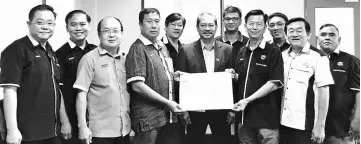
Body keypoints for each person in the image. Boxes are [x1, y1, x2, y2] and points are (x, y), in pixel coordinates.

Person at [0, 4, 71, 144]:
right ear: (28, 24)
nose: (45, 27)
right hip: (27, 134)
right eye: (40, 22)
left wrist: (65, 121)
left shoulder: (51, 52)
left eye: (50, 23)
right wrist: (12, 130)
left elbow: (57, 89)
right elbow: (9, 91)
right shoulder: (16, 50)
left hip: (52, 131)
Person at [125, 8, 183, 144]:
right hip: (148, 118)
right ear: (140, 25)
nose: (153, 25)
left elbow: (159, 76)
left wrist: (174, 76)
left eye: (156, 21)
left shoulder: (161, 46)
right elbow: (137, 86)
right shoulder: (137, 49)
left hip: (165, 115)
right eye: (149, 21)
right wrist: (168, 103)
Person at [230, 9, 284, 144]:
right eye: (251, 23)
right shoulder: (242, 51)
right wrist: (232, 76)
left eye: (259, 24)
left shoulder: (273, 51)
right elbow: (241, 79)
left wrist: (248, 100)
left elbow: (274, 83)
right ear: (245, 25)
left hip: (267, 121)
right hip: (244, 119)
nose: (254, 27)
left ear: (265, 27)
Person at [74, 17, 131, 144]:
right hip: (99, 133)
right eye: (106, 31)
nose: (111, 35)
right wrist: (82, 126)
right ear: (99, 34)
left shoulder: (126, 59)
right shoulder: (89, 59)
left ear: (121, 33)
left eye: (115, 31)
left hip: (124, 129)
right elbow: (81, 94)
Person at [178, 12, 233, 144]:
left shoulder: (227, 49)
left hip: (221, 110)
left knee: (223, 140)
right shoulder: (186, 50)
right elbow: (180, 82)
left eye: (210, 25)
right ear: (197, 27)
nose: (207, 29)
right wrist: (183, 110)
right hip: (195, 111)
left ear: (216, 27)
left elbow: (232, 82)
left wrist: (232, 109)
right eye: (203, 25)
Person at [279, 17, 334, 144]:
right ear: (286, 35)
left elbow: (324, 92)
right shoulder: (282, 55)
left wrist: (320, 125)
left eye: (299, 30)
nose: (294, 34)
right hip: (283, 122)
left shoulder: (319, 57)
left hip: (305, 124)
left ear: (308, 34)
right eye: (290, 31)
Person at [56, 10, 96, 144]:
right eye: (73, 25)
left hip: (96, 118)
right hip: (71, 117)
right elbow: (58, 91)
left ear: (89, 26)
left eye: (83, 24)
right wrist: (65, 122)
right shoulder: (59, 54)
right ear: (67, 27)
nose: (78, 28)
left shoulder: (96, 50)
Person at [317, 23, 360, 144]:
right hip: (314, 127)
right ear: (317, 39)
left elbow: (359, 92)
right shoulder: (313, 59)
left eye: (332, 35)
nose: (327, 37)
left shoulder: (351, 60)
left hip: (342, 129)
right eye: (323, 34)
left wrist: (358, 120)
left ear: (339, 40)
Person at [158, 13, 189, 144]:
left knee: (179, 137)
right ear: (165, 26)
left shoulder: (185, 48)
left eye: (180, 25)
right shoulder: (158, 46)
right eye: (173, 24)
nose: (177, 28)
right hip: (163, 103)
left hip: (182, 101)